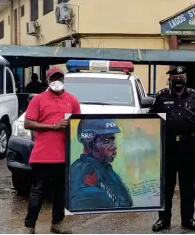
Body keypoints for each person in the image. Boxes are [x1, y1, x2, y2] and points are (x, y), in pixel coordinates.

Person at [149, 66, 195, 232]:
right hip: (167, 148)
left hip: (188, 148)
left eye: (181, 76)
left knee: (188, 187)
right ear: (170, 80)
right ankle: (163, 220)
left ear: (186, 78)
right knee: (166, 186)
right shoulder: (161, 97)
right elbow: (150, 120)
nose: (178, 80)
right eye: (175, 77)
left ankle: (188, 219)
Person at [23, 67, 81, 234]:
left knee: (61, 191)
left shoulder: (72, 100)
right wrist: (53, 126)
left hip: (64, 154)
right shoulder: (38, 100)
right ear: (47, 80)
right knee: (38, 191)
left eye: (59, 77)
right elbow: (28, 123)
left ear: (64, 79)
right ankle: (29, 225)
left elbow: (79, 124)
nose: (57, 80)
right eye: (53, 77)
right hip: (42, 155)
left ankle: (57, 223)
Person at [70, 119, 133, 210]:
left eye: (112, 140)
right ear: (89, 143)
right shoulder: (83, 171)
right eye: (106, 141)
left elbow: (126, 202)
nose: (114, 147)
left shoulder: (105, 168)